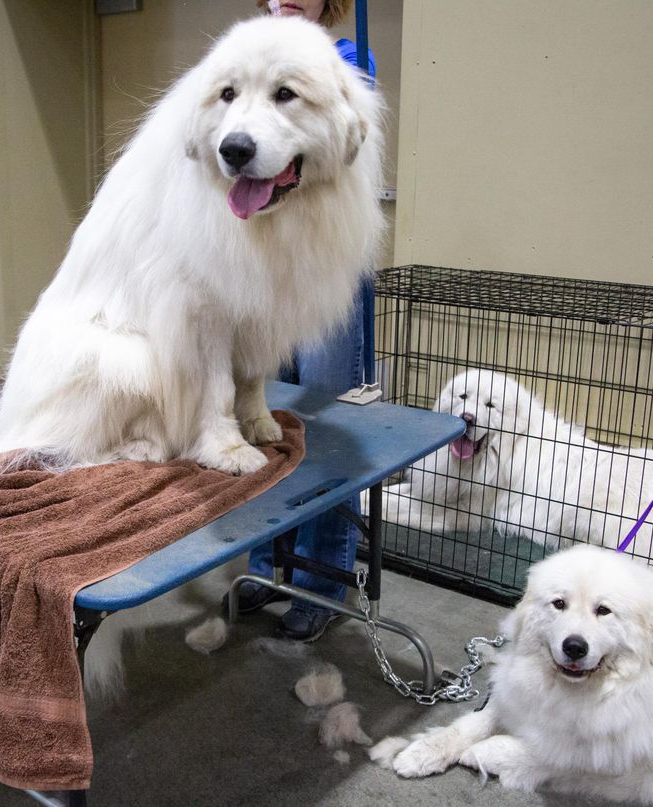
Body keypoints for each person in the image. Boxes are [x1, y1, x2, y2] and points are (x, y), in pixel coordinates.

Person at [226, 0, 377, 642]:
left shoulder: (342, 63)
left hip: (320, 279)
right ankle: (266, 566)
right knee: (262, 422)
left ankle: (322, 582)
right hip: (262, 273)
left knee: (325, 423)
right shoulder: (245, 54)